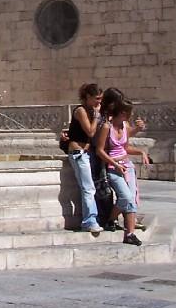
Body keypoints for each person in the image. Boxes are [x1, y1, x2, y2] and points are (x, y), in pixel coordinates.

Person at [94, 97, 149, 246]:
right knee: (125, 196)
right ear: (122, 112)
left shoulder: (125, 126)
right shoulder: (107, 127)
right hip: (113, 166)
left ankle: (129, 234)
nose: (130, 116)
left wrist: (141, 151)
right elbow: (99, 150)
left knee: (131, 198)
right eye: (128, 113)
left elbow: (125, 148)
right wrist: (114, 164)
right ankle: (111, 219)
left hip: (126, 165)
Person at [63, 83, 105, 234]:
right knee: (88, 188)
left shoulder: (90, 111)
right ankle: (89, 221)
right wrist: (97, 116)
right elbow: (90, 132)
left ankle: (94, 217)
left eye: (101, 99)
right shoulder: (81, 111)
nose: (99, 102)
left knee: (90, 187)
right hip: (78, 153)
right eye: (97, 98)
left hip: (87, 153)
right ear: (88, 97)